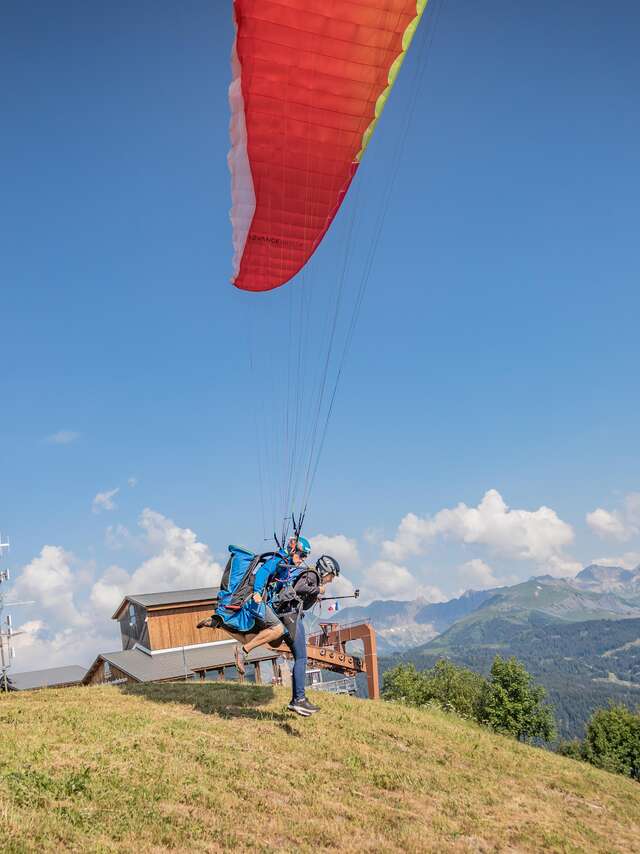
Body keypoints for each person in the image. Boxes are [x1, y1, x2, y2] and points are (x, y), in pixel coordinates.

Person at [271, 551, 340, 717]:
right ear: (325, 571)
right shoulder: (312, 574)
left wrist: (314, 595)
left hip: (292, 615)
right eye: (331, 576)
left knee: (301, 658)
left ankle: (298, 699)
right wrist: (318, 589)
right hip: (291, 615)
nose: (331, 580)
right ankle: (298, 700)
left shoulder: (311, 576)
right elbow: (299, 588)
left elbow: (302, 596)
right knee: (301, 658)